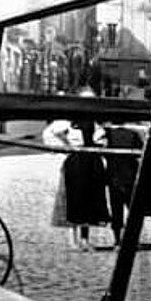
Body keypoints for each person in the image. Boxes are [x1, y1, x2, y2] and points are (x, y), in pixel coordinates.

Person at [45, 88, 109, 251]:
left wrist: (99, 145)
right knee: (74, 199)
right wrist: (66, 146)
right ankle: (73, 240)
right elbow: (50, 134)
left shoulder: (96, 122)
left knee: (89, 200)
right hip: (75, 163)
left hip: (92, 163)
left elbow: (102, 139)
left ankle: (85, 239)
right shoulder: (69, 120)